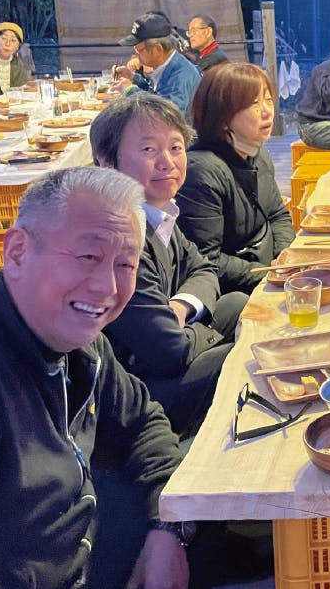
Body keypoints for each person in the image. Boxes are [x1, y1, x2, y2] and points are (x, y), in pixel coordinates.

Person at [0, 166, 190, 589]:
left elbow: (143, 424)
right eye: (88, 257)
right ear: (18, 252)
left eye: (125, 264)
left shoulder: (80, 344)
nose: (108, 287)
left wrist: (168, 530)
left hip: (83, 549)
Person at [91, 93, 248, 437]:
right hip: (132, 392)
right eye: (149, 150)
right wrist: (211, 333)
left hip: (161, 349)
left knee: (240, 305)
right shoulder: (116, 236)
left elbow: (203, 268)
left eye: (175, 148)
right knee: (243, 357)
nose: (167, 162)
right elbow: (170, 352)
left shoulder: (154, 210)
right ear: (106, 163)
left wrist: (180, 307)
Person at [177, 63, 294, 293]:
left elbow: (277, 214)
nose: (267, 111)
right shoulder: (201, 172)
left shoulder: (256, 152)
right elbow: (206, 259)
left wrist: (284, 257)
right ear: (222, 116)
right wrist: (267, 275)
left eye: (268, 100)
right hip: (234, 290)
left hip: (267, 270)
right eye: (253, 104)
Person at [115, 11, 203, 114]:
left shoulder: (181, 75)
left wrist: (131, 90)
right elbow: (155, 95)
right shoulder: (167, 64)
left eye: (139, 50)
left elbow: (164, 115)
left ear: (158, 50)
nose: (136, 54)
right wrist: (132, 77)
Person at [0, 20, 31, 94]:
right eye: (4, 38)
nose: (8, 44)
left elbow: (22, 91)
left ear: (18, 46)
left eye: (13, 40)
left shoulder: (18, 64)